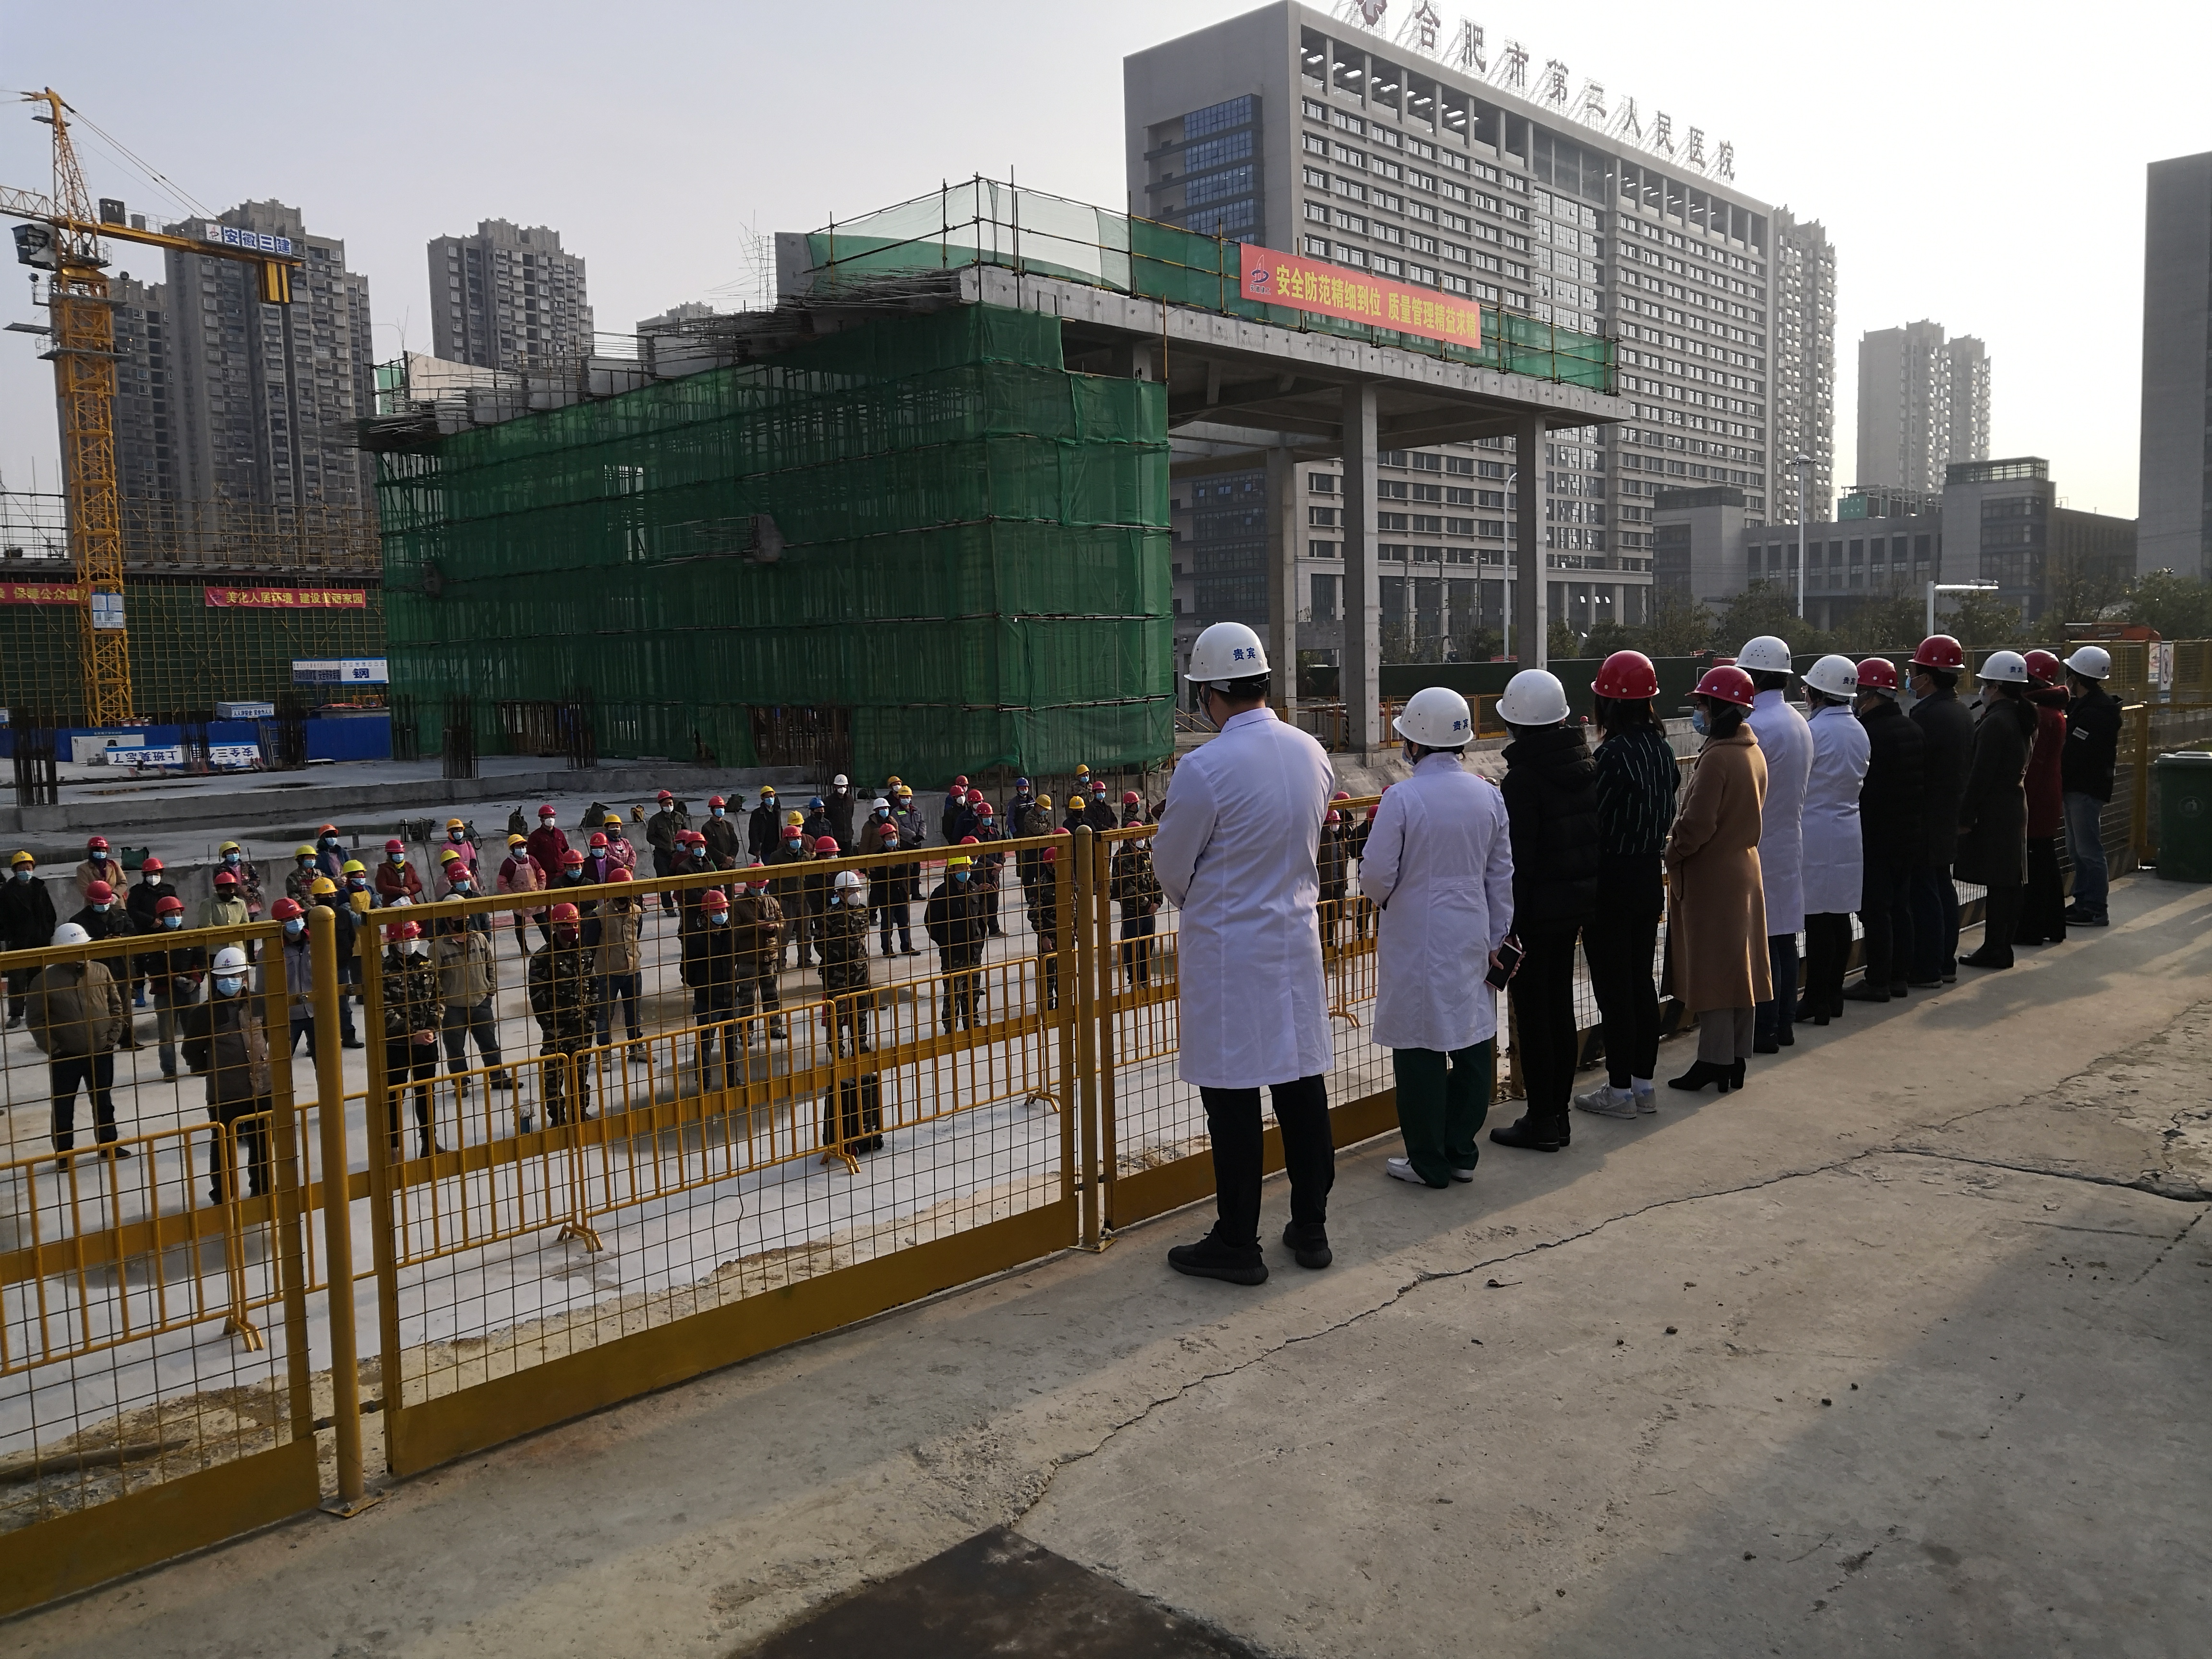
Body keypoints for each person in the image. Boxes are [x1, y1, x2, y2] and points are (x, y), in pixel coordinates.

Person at [1150, 621, 1336, 1284]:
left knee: (1232, 1101)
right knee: (1301, 1087)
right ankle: (1310, 1226)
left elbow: (1172, 867)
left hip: (1231, 952)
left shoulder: (1205, 768)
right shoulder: (1312, 751)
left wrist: (1208, 898)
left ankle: (1237, 1242)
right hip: (1294, 941)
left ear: (1208, 695)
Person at [1360, 686, 1515, 1187]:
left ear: (1415, 743)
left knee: (1418, 1045)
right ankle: (1462, 1150)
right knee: (1472, 1037)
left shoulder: (1403, 798)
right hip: (1473, 929)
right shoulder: (1488, 794)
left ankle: (1427, 1160)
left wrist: (1391, 898)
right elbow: (1501, 874)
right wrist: (1498, 935)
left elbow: (1376, 874)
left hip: (1417, 935)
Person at [1489, 670, 1599, 1152]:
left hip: (1534, 917)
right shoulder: (1585, 766)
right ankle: (1559, 1116)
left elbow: (1517, 863)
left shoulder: (1524, 781)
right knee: (1559, 1009)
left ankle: (1541, 1120)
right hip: (1573, 908)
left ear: (1515, 723)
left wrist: (1508, 927)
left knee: (1535, 1017)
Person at [1574, 651, 1680, 1118]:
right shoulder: (1661, 750)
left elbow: (1593, 821)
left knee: (1614, 988)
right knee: (1640, 984)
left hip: (1612, 881)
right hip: (1647, 877)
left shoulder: (1612, 755)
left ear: (1609, 703)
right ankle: (1642, 1085)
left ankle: (1618, 1090)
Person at [1665, 666, 1771, 1092]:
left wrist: (1672, 851)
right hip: (1744, 868)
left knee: (1712, 974)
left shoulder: (1718, 758)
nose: (1699, 713)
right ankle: (1736, 1058)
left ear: (1719, 708)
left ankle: (1713, 1060)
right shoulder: (1752, 751)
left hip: (1712, 877)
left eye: (1703, 705)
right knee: (1740, 971)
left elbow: (1697, 824)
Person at [1737, 635, 1814, 1053]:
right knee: (1783, 939)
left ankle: (1765, 1026)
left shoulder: (1759, 727)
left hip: (1761, 843)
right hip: (1788, 839)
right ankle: (1783, 1024)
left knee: (1764, 943)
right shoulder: (1797, 720)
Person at [1794, 656, 1872, 1025]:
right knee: (1840, 916)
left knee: (1818, 921)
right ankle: (1833, 995)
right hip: (1847, 829)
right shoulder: (1859, 730)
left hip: (1815, 828)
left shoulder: (1814, 731)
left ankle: (1816, 998)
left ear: (1818, 693)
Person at [1846, 658, 1927, 1004]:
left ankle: (1878, 979)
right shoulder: (1912, 728)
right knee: (1900, 907)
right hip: (1907, 832)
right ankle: (1898, 977)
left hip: (1878, 835)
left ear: (1870, 695)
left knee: (1876, 910)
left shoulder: (1870, 734)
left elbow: (1867, 790)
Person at [1957, 650, 2038, 970]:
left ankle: (1996, 949)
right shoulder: (2021, 717)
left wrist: (1966, 816)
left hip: (1994, 812)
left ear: (1996, 687)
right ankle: (2000, 947)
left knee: (2000, 884)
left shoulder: (1996, 722)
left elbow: (1980, 775)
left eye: (1986, 684)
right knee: (2007, 882)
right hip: (2011, 806)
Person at [177, 946, 272, 1202]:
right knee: (223, 1145)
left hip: (262, 1087)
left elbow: (268, 1034)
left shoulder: (258, 1002)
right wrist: (213, 1071)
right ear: (216, 979)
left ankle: (262, 1190)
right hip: (225, 1092)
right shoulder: (205, 1013)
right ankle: (223, 1194)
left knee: (262, 1142)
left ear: (245, 976)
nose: (229, 982)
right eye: (223, 977)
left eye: (234, 976)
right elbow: (191, 1051)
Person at [28, 923, 128, 1163]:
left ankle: (108, 1145)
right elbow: (36, 1020)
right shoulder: (44, 981)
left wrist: (112, 1037)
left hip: (101, 1050)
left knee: (104, 1102)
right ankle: (64, 1154)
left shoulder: (101, 971)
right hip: (66, 1056)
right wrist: (54, 1048)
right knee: (63, 1106)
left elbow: (116, 1005)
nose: (82, 952)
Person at [1908, 635, 1976, 984]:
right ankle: (1944, 961)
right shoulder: (1960, 711)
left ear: (1928, 676)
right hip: (1948, 811)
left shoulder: (1929, 715)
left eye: (1915, 671)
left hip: (1927, 814)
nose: (1911, 677)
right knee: (1941, 885)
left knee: (1925, 892)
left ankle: (1928, 966)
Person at [2059, 644, 2121, 928]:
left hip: (2085, 789)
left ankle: (2095, 908)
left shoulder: (2096, 712)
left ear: (2078, 677)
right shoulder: (2088, 706)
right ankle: (2083, 901)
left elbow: (2075, 752)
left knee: (2089, 851)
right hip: (2079, 787)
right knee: (2077, 850)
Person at [2015, 649, 2071, 948]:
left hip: (2035, 797)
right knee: (2045, 861)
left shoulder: (2039, 715)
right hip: (2048, 794)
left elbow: (2031, 766)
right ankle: (2052, 924)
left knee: (2034, 867)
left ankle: (2031, 928)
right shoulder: (2054, 712)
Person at [380, 919, 445, 1158]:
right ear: (394, 941)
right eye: (406, 939)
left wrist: (430, 1027)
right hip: (396, 1044)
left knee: (426, 1093)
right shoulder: (382, 970)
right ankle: (392, 1148)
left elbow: (438, 999)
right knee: (394, 1096)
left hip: (426, 1042)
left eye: (413, 937)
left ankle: (429, 1143)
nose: (411, 942)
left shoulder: (426, 965)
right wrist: (410, 1033)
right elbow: (383, 1009)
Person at [527, 902, 595, 1126]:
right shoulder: (542, 958)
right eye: (567, 925)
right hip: (556, 1027)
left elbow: (593, 984)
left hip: (582, 1024)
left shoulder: (584, 951)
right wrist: (549, 1026)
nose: (572, 929)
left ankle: (580, 1112)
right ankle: (558, 1117)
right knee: (554, 1077)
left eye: (575, 924)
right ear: (555, 927)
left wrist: (593, 1017)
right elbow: (537, 996)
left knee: (581, 1073)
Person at [433, 909, 508, 1092]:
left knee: (490, 1044)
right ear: (448, 920)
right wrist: (442, 1003)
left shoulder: (479, 939)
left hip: (480, 1003)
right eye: (459, 917)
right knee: (455, 1049)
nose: (464, 921)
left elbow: (490, 965)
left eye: (466, 917)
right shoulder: (438, 947)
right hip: (453, 1008)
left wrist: (490, 991)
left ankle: (498, 1077)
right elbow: (433, 980)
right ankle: (461, 1084)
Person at [136, 893, 205, 1077]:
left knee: (193, 1032)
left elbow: (201, 959)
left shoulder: (190, 936)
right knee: (167, 1035)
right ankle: (169, 1069)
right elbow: (150, 965)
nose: (175, 918)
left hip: (190, 991)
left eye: (178, 914)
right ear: (161, 917)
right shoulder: (154, 941)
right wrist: (173, 978)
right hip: (165, 992)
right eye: (170, 915)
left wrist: (195, 979)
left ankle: (196, 1064)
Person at [681, 889, 741, 1088]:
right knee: (705, 1045)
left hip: (731, 996)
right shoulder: (696, 938)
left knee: (731, 1043)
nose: (722, 915)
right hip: (708, 1000)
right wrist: (704, 985)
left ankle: (732, 1079)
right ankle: (704, 1083)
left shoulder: (731, 932)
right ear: (706, 913)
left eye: (724, 910)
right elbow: (686, 971)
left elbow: (735, 959)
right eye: (717, 911)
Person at [924, 851, 988, 1032]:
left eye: (968, 868)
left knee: (972, 992)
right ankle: (950, 1028)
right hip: (954, 954)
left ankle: (972, 1024)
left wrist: (979, 939)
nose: (966, 872)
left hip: (973, 952)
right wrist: (946, 942)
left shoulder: (973, 888)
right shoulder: (941, 894)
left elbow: (981, 917)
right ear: (952, 870)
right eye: (961, 869)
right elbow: (931, 922)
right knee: (953, 995)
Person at [730, 863, 787, 1041]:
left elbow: (782, 922)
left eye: (762, 886)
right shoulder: (738, 905)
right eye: (757, 886)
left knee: (771, 995)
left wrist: (773, 927)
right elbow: (735, 930)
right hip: (748, 958)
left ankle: (774, 1027)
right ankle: (745, 1032)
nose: (760, 890)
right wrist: (757, 926)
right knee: (746, 998)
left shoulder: (771, 901)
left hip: (769, 956)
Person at [820, 868, 874, 1054]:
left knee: (861, 1011)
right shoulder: (829, 915)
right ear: (840, 893)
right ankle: (838, 1050)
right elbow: (820, 944)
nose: (855, 894)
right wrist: (837, 958)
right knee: (837, 1013)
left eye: (857, 890)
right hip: (838, 973)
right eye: (851, 891)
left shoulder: (862, 911)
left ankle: (860, 1045)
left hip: (860, 970)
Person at [1112, 794, 1164, 986]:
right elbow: (1126, 886)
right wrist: (1147, 904)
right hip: (1133, 911)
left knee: (1147, 948)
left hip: (1149, 911)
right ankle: (1134, 980)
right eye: (1139, 838)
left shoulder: (1145, 854)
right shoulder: (1122, 857)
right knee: (1132, 947)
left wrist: (1157, 901)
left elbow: (1155, 877)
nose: (1142, 841)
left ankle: (1145, 979)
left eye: (1143, 838)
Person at [594, 869, 645, 1060]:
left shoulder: (637, 912)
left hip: (633, 970)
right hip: (608, 973)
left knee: (634, 1012)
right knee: (605, 1014)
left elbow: (637, 935)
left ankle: (636, 1048)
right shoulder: (599, 915)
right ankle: (604, 1052)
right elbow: (591, 944)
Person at [3, 851, 58, 1029]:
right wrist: (9, 937)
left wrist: (47, 934)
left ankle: (39, 1012)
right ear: (15, 871)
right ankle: (16, 1014)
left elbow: (50, 914)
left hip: (39, 941)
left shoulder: (40, 888)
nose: (25, 871)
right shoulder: (7, 892)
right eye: (21, 869)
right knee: (17, 980)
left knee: (38, 979)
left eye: (28, 868)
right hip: (18, 944)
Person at [309, 878, 364, 1049]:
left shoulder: (343, 915)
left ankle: (348, 1036)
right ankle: (317, 1042)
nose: (331, 898)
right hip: (317, 969)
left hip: (341, 967)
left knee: (343, 1004)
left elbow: (351, 937)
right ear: (316, 897)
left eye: (333, 894)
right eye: (326, 895)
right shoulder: (309, 917)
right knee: (318, 1006)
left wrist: (345, 956)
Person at [125, 855, 180, 1006]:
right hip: (143, 932)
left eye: (156, 874)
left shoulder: (168, 890)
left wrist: (167, 921)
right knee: (140, 965)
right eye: (150, 874)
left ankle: (165, 988)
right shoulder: (137, 891)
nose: (153, 877)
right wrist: (150, 921)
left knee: (165, 962)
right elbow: (132, 910)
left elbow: (175, 906)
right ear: (145, 875)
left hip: (165, 931)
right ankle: (139, 994)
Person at [865, 815, 917, 958]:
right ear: (883, 839)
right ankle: (887, 949)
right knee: (887, 925)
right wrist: (896, 869)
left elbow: (909, 868)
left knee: (904, 923)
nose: (892, 840)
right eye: (889, 838)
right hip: (886, 895)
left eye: (894, 837)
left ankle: (907, 946)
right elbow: (882, 874)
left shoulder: (901, 853)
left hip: (901, 893)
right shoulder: (878, 856)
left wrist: (895, 868)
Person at [767, 815, 814, 967]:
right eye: (794, 838)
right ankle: (780, 963)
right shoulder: (777, 857)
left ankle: (805, 960)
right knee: (784, 934)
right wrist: (777, 898)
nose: (797, 841)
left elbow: (810, 877)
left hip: (804, 899)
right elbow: (771, 878)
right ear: (787, 840)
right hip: (786, 900)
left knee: (805, 933)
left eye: (798, 838)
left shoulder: (805, 856)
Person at [271, 897, 316, 1058]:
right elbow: (263, 987)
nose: (297, 922)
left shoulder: (316, 942)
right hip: (287, 1016)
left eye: (298, 917)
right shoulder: (272, 951)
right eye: (290, 919)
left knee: (325, 1063)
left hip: (315, 1011)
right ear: (280, 924)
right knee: (280, 1063)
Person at [497, 832, 546, 951]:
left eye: (523, 846)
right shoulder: (508, 864)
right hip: (519, 901)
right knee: (520, 927)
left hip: (535, 898)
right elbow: (502, 882)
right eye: (519, 847)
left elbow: (541, 875)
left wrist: (540, 890)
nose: (522, 849)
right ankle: (524, 950)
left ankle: (552, 946)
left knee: (544, 925)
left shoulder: (532, 860)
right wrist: (512, 896)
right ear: (512, 849)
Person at [200, 868, 254, 963]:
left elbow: (246, 924)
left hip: (237, 949)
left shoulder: (240, 903)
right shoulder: (208, 904)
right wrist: (227, 935)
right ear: (218, 889)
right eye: (225, 889)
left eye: (231, 889)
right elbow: (206, 926)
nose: (229, 892)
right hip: (216, 951)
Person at [649, 790, 689, 914]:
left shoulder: (679, 816)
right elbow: (650, 837)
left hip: (678, 854)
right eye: (666, 804)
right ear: (661, 805)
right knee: (664, 882)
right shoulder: (655, 820)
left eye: (671, 803)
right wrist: (664, 845)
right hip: (662, 855)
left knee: (683, 880)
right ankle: (669, 908)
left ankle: (684, 905)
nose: (669, 806)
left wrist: (683, 845)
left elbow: (686, 832)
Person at [970, 803, 1007, 937]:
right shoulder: (974, 835)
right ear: (979, 817)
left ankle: (994, 929)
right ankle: (979, 931)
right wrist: (992, 865)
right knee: (980, 904)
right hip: (981, 874)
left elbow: (1001, 851)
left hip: (995, 874)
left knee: (993, 904)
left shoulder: (995, 832)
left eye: (989, 816)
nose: (988, 819)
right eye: (985, 816)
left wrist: (1000, 865)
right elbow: (977, 856)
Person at [74, 835, 124, 903]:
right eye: (97, 851)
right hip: (95, 905)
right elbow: (84, 889)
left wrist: (115, 895)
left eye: (103, 851)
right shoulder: (83, 869)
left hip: (115, 904)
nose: (101, 853)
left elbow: (123, 883)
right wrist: (102, 900)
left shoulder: (114, 865)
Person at [374, 839, 423, 906]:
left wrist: (409, 889)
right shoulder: (384, 869)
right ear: (390, 855)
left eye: (401, 853)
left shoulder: (408, 867)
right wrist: (399, 891)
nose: (399, 855)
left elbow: (418, 885)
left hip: (410, 903)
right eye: (396, 853)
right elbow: (381, 888)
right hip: (392, 905)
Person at [701, 795, 742, 868]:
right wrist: (724, 859)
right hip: (717, 865)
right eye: (718, 808)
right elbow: (709, 848)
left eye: (722, 807)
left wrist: (731, 858)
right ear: (712, 809)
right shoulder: (707, 828)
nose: (721, 810)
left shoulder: (729, 825)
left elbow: (735, 843)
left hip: (731, 864)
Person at [284, 843, 325, 907]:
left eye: (313, 858)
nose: (312, 860)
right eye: (308, 858)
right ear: (300, 860)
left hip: (321, 907)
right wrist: (307, 907)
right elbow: (293, 895)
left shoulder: (319, 874)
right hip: (304, 909)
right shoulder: (293, 877)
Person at [745, 786, 781, 862]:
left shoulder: (777, 812)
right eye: (767, 797)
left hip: (777, 848)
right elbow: (753, 833)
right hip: (765, 850)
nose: (770, 799)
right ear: (763, 798)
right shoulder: (757, 813)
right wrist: (757, 849)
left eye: (772, 796)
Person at [824, 773, 857, 850]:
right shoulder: (829, 801)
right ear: (835, 786)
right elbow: (826, 818)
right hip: (835, 837)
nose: (842, 788)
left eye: (844, 786)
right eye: (840, 786)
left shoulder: (850, 799)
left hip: (848, 837)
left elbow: (851, 814)